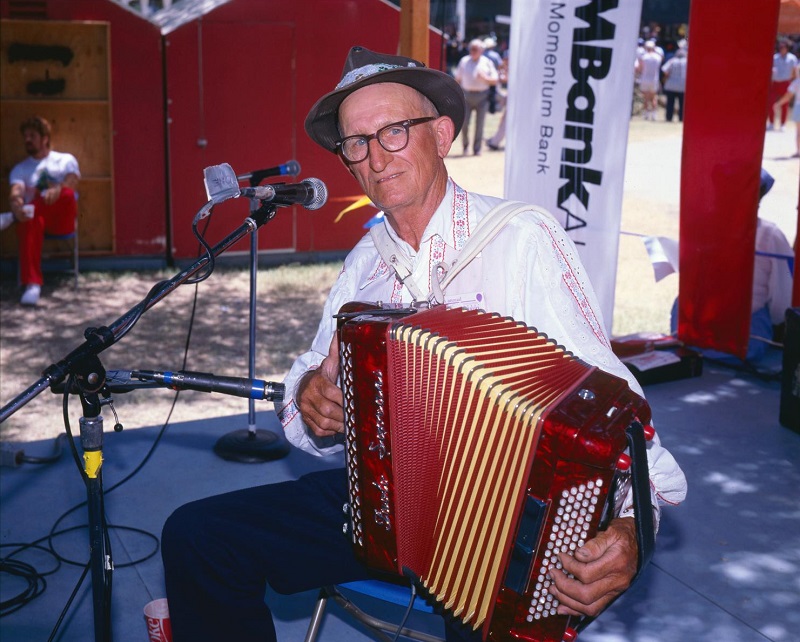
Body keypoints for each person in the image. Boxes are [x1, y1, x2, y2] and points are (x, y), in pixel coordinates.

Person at [161, 46, 687, 642]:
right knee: (199, 536)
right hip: (387, 508)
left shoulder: (521, 238)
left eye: (392, 132)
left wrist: (632, 528)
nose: (374, 158)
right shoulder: (365, 265)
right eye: (355, 143)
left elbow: (613, 404)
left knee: (492, 620)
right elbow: (310, 389)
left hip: (501, 520)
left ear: (441, 134)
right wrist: (309, 395)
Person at [670, 168, 793, 364]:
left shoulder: (701, 224)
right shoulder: (769, 234)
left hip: (691, 329)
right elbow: (783, 296)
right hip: (743, 337)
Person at [1, 116, 80, 306]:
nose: (27, 139)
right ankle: (32, 285)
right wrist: (16, 203)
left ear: (45, 138)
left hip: (61, 219)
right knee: (29, 218)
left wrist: (58, 189)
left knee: (67, 194)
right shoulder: (21, 168)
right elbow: (16, 191)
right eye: (25, 136)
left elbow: (72, 181)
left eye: (32, 135)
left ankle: (12, 218)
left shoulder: (64, 159)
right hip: (35, 222)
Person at [454, 38, 498, 155]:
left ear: (481, 50)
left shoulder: (487, 62)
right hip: (466, 95)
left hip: (482, 96)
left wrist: (485, 78)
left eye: (475, 49)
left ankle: (477, 148)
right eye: (471, 49)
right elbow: (457, 79)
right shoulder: (464, 61)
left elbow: (495, 80)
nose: (473, 51)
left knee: (480, 124)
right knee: (464, 123)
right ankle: (465, 146)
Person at [768, 39, 798, 131]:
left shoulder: (792, 58)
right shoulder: (774, 58)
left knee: (784, 104)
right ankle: (772, 123)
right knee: (770, 103)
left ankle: (783, 124)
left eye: (784, 47)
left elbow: (795, 71)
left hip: (786, 83)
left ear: (787, 48)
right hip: (776, 83)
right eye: (780, 48)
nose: (782, 49)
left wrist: (793, 81)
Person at [772, 64, 800, 158]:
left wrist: (778, 103)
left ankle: (798, 152)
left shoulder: (796, 82)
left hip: (798, 107)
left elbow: (788, 96)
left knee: (799, 132)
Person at [635, 40, 662, 121]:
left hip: (645, 79)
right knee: (654, 97)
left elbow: (639, 68)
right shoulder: (658, 57)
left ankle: (646, 114)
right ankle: (654, 115)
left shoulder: (643, 57)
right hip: (654, 79)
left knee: (646, 98)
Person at [661, 46, 687, 123]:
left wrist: (667, 77)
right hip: (682, 85)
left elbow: (665, 70)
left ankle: (669, 117)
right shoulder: (687, 61)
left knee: (670, 102)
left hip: (671, 84)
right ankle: (681, 118)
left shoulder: (672, 61)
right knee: (682, 103)